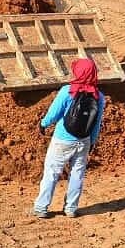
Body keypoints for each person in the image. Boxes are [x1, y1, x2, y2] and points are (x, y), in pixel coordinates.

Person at [32, 58, 106, 218]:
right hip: (84, 140)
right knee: (77, 174)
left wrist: (43, 124)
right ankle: (71, 209)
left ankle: (41, 207)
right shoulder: (99, 96)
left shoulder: (68, 91)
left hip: (63, 139)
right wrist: (92, 141)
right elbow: (96, 122)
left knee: (52, 172)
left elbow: (54, 113)